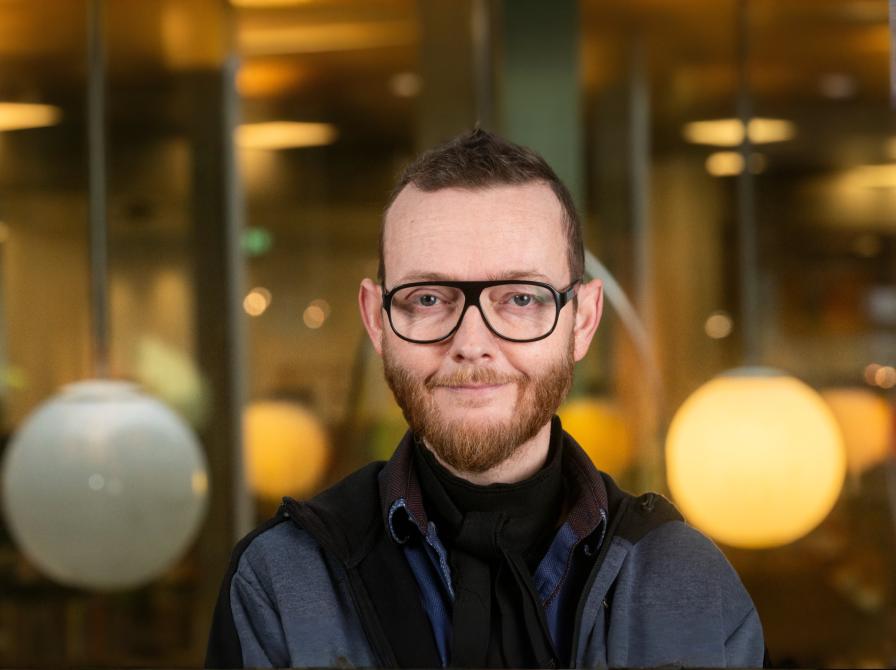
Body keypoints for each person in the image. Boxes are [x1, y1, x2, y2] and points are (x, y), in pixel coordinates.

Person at [205, 129, 765, 669]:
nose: (471, 343)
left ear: (583, 320)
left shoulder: (691, 584)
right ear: (377, 320)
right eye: (428, 299)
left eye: (520, 298)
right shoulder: (281, 582)